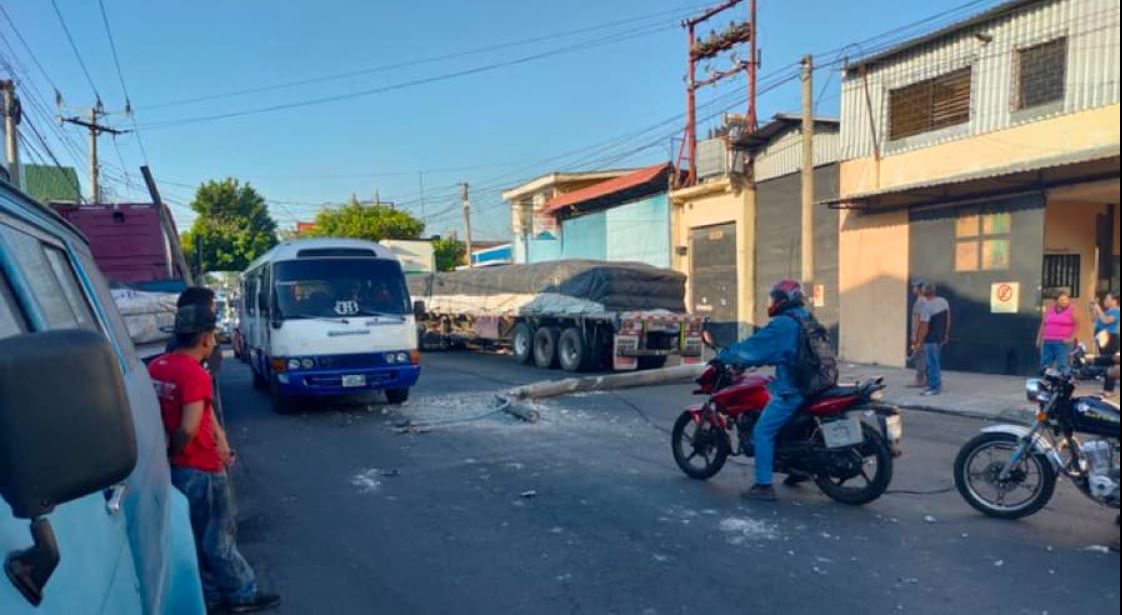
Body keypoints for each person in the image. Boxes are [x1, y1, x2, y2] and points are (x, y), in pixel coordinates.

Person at [149, 304, 280, 613]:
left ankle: (213, 594)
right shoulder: (194, 374)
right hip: (200, 467)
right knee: (219, 537)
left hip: (180, 468)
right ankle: (241, 593)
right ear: (206, 339)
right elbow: (189, 427)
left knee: (197, 535)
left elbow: (201, 417)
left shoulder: (158, 366)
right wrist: (179, 449)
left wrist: (220, 441)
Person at [716, 279, 828, 502]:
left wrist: (724, 356)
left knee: (763, 432)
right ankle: (799, 470)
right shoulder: (806, 318)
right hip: (819, 383)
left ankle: (763, 485)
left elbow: (754, 348)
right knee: (790, 426)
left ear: (784, 300)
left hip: (795, 389)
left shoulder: (784, 324)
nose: (772, 302)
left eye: (775, 298)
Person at [169, 287, 226, 425]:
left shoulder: (161, 362)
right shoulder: (194, 366)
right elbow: (189, 427)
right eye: (211, 309)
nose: (213, 314)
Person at [914, 283, 951, 396]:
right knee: (936, 362)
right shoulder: (943, 301)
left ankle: (934, 387)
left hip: (930, 340)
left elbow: (924, 328)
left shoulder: (927, 307)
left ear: (924, 292)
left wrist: (919, 342)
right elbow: (948, 319)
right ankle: (934, 383)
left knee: (932, 363)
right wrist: (945, 334)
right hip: (940, 338)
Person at [1037, 291, 1080, 374]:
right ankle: (1047, 382)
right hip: (1048, 340)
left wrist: (1071, 338)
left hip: (1063, 342)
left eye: (1066, 299)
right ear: (1055, 301)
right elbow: (1043, 324)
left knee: (1062, 365)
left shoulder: (1072, 310)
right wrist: (1039, 338)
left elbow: (1077, 326)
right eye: (1062, 300)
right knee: (1045, 364)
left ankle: (1064, 383)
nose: (1065, 301)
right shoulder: (1050, 309)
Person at [908, 280, 929, 388]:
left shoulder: (920, 301)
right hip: (923, 334)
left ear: (919, 289)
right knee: (922, 356)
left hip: (919, 334)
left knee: (919, 357)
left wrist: (915, 336)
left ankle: (919, 380)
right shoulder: (925, 300)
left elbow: (918, 320)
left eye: (915, 287)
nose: (913, 289)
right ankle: (926, 379)